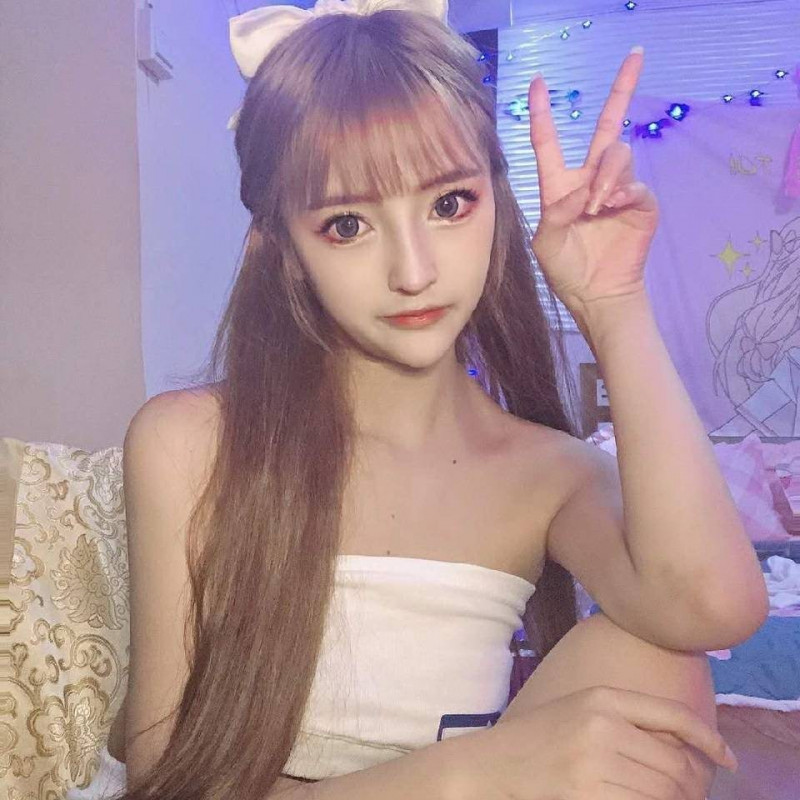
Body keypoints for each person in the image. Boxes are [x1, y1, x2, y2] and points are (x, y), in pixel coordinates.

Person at [66, 0, 770, 798]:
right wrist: (469, 772)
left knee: (660, 661)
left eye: (448, 204)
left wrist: (614, 306)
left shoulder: (547, 472)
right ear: (283, 248)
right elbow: (165, 783)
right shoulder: (193, 444)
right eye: (346, 225)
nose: (414, 271)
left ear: (497, 201)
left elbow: (714, 609)